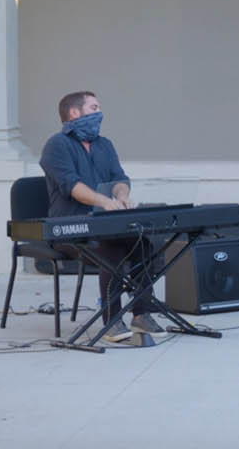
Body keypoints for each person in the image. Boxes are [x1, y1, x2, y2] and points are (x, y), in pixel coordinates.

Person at [38, 91, 162, 344]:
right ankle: (112, 321)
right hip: (70, 227)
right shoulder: (56, 145)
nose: (99, 113)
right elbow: (71, 186)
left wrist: (122, 194)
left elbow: (119, 178)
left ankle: (141, 314)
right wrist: (105, 201)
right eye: (94, 107)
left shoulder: (105, 145)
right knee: (111, 251)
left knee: (145, 247)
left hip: (106, 224)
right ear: (75, 113)